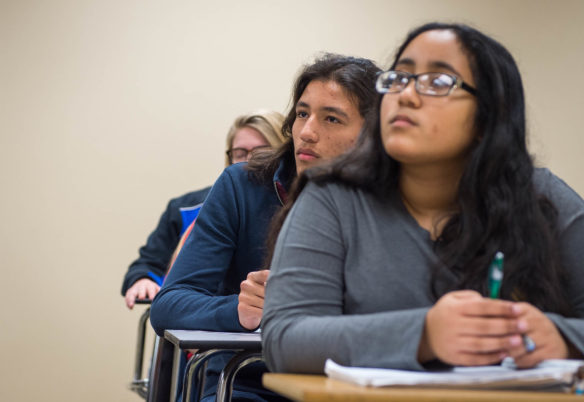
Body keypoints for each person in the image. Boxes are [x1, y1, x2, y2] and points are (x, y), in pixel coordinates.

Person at [262, 22, 584, 375]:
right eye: (399, 78)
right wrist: (424, 335)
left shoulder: (541, 197)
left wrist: (563, 337)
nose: (407, 95)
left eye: (438, 82)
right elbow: (286, 340)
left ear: (488, 117)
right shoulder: (333, 197)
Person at [150, 53, 381, 401]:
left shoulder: (393, 199)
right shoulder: (241, 186)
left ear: (371, 135)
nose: (307, 132)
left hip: (353, 384)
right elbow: (168, 305)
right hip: (247, 385)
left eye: (331, 118)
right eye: (302, 113)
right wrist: (238, 311)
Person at [121, 110, 285, 308]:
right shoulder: (185, 208)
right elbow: (148, 263)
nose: (249, 161)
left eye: (261, 153)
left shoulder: (295, 206)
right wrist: (143, 280)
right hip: (202, 321)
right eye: (240, 153)